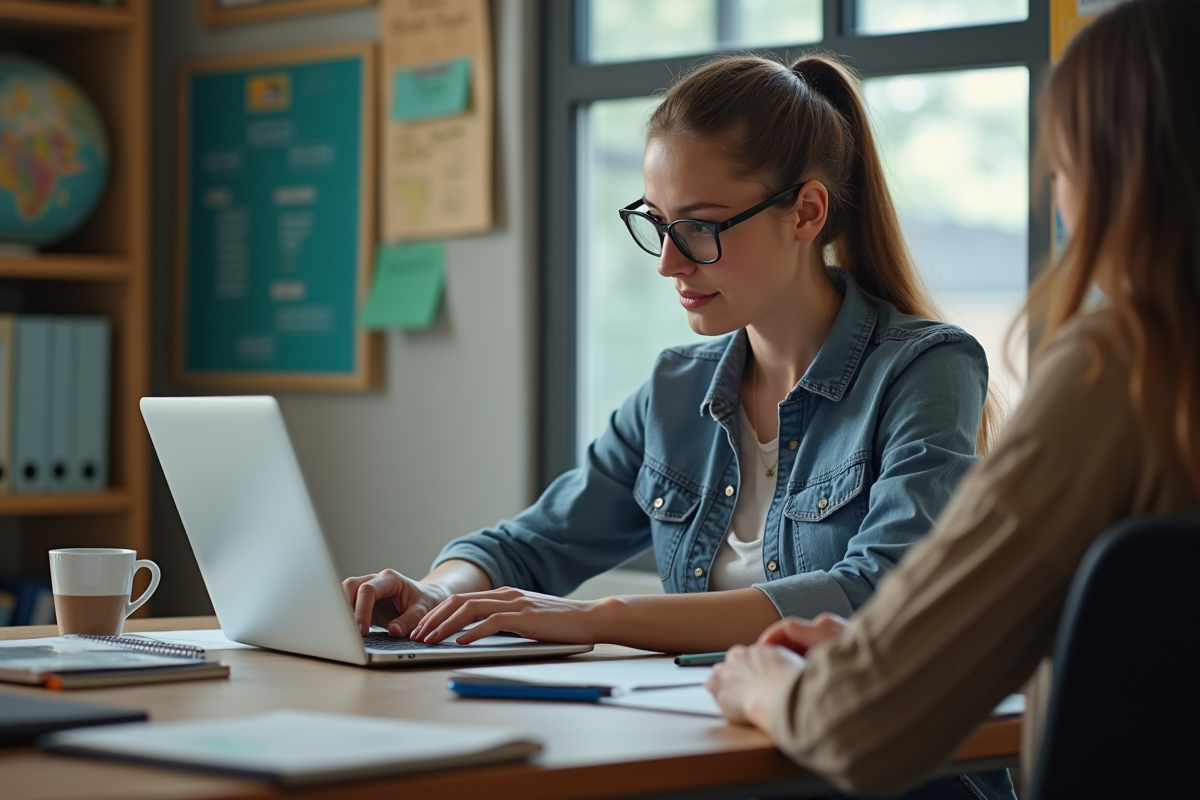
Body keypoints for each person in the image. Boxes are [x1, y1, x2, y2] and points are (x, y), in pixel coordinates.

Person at [346, 53, 1014, 798]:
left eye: (699, 228)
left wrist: (600, 617)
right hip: (722, 760)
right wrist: (441, 592)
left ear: (806, 212)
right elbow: (529, 546)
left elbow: (881, 589)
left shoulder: (927, 368)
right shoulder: (676, 388)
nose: (668, 262)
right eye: (657, 224)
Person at [705, 1, 1200, 796]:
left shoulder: (1124, 374)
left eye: (1063, 171)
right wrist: (902, 650)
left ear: (1116, 179)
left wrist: (767, 683)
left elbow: (865, 726)